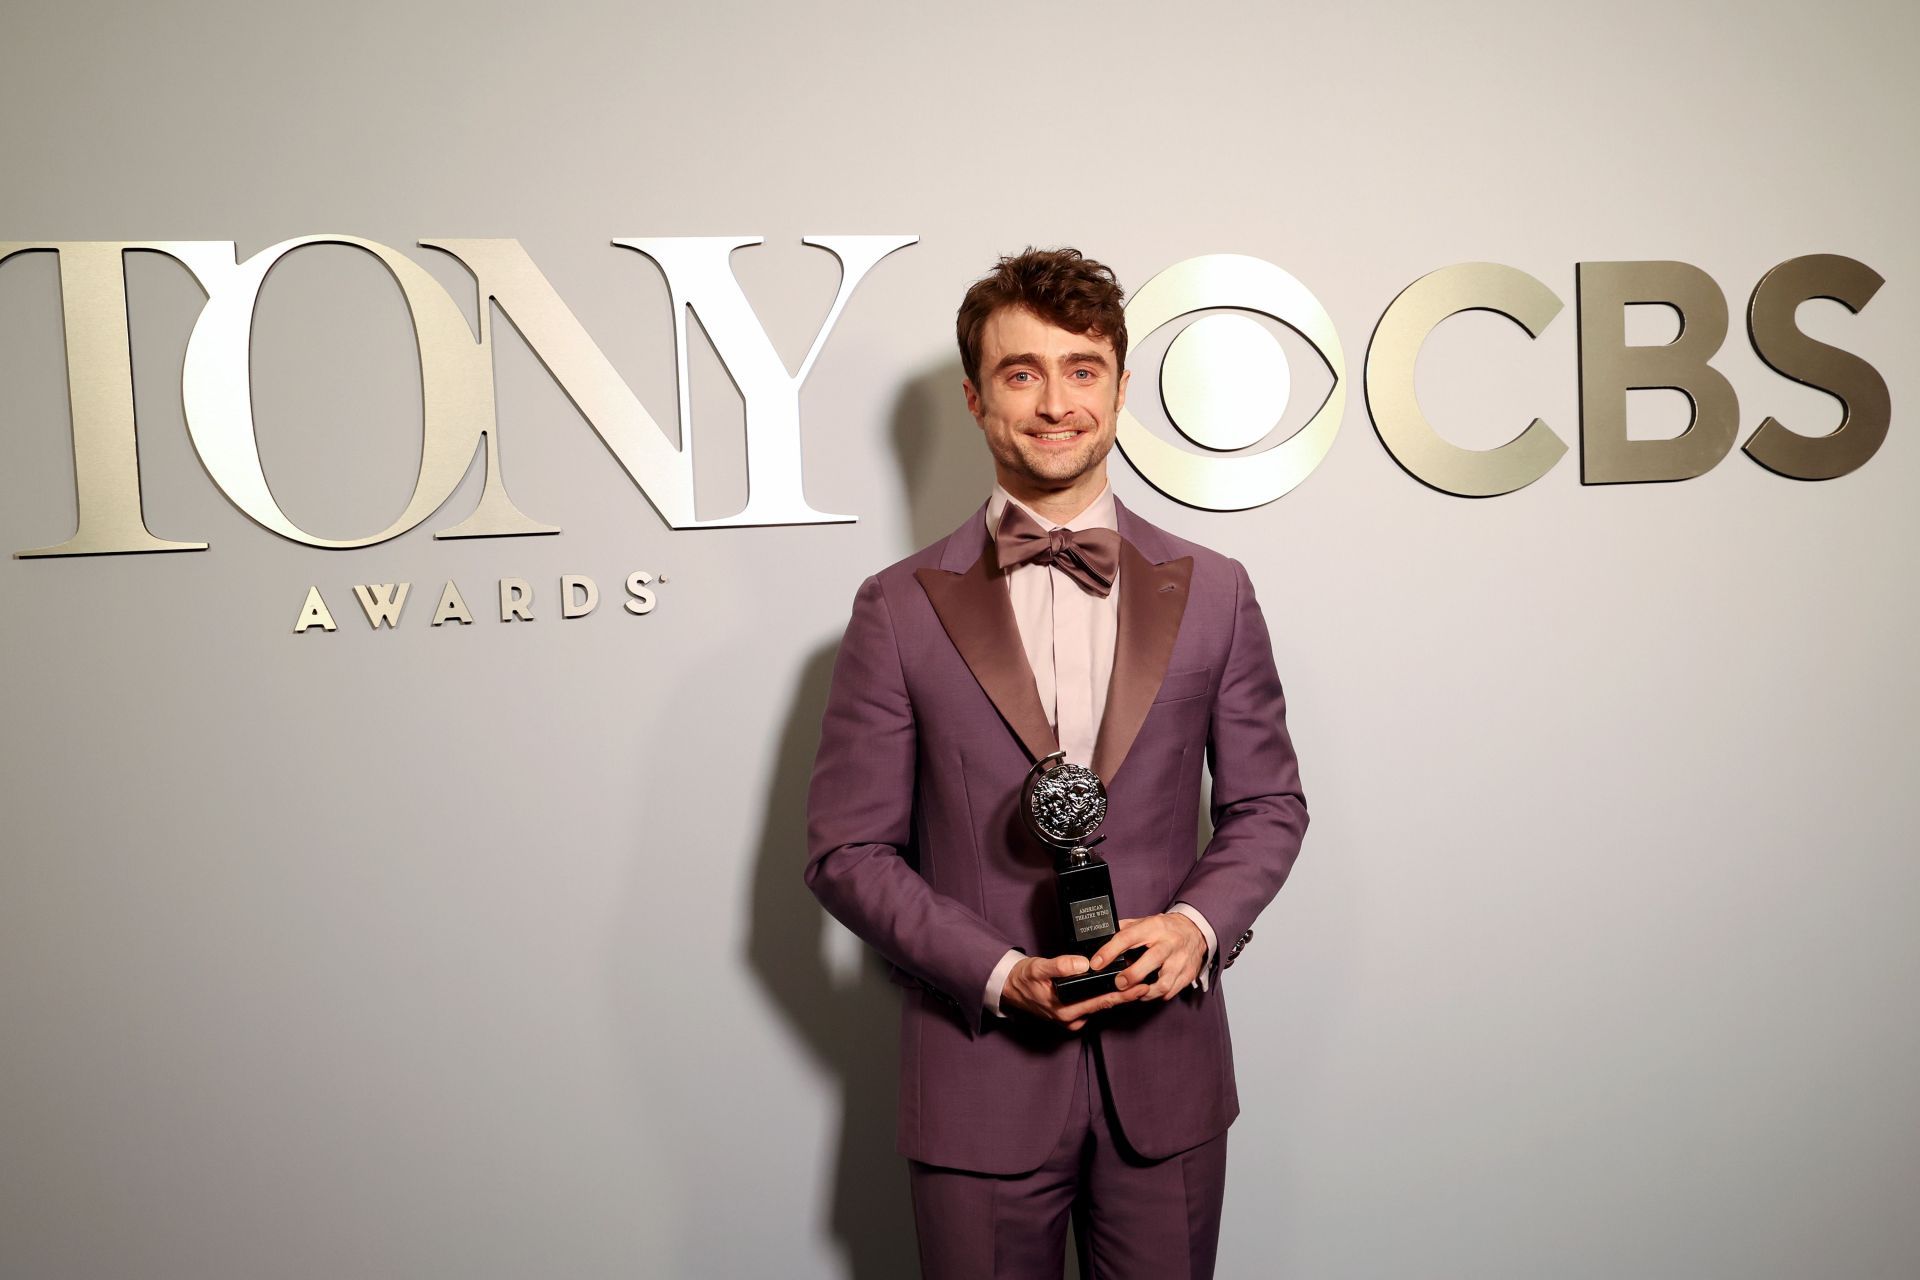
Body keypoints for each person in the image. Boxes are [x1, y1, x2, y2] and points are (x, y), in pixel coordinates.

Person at [805, 247, 1308, 1279]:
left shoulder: (1216, 589)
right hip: (976, 1081)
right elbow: (847, 849)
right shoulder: (895, 608)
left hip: (1166, 1079)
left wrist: (1195, 925)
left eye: (1082, 368)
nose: (1055, 401)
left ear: (1121, 389)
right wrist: (993, 972)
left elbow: (1268, 803)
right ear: (977, 400)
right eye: (1021, 371)